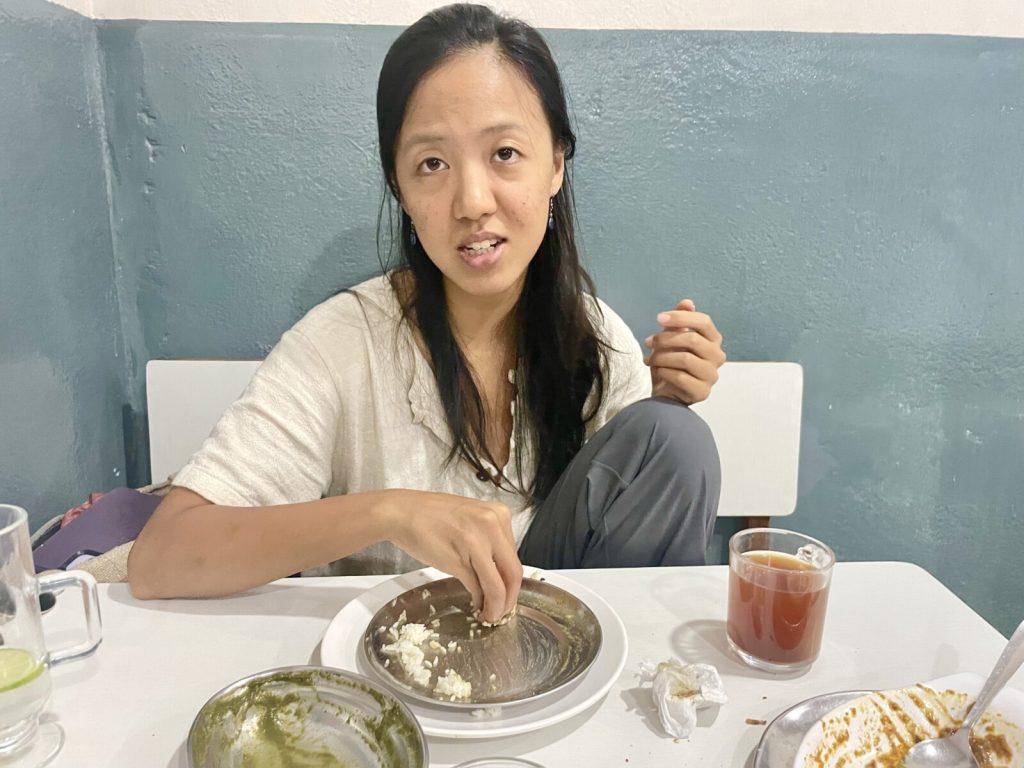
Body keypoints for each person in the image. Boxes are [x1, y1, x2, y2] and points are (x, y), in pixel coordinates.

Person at [127, 3, 726, 622]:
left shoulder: (596, 340)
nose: (472, 202)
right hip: (391, 662)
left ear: (555, 165)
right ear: (400, 188)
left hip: (551, 653)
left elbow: (619, 536)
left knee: (674, 439)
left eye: (505, 153)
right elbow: (162, 558)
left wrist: (655, 426)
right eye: (432, 164)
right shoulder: (341, 344)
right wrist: (390, 511)